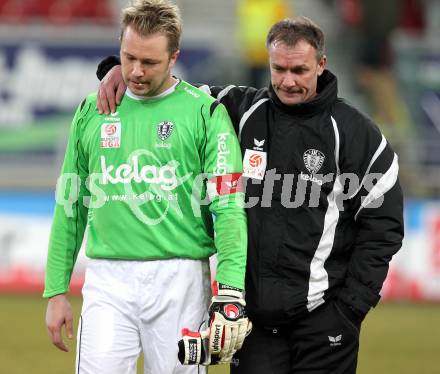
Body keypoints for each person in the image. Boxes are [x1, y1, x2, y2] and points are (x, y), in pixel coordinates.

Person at [96, 16, 404, 374]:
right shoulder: (240, 111)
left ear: (321, 64)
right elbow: (176, 92)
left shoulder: (356, 134)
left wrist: (350, 308)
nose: (288, 81)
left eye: (299, 70)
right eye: (279, 69)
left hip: (325, 321)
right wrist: (117, 68)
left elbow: (384, 226)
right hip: (253, 326)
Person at [43, 1, 250, 373]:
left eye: (150, 62)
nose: (136, 71)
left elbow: (229, 207)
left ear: (174, 57)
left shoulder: (205, 113)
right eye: (128, 57)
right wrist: (56, 290)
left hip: (182, 279)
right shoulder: (93, 111)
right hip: (107, 278)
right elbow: (71, 205)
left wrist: (230, 290)